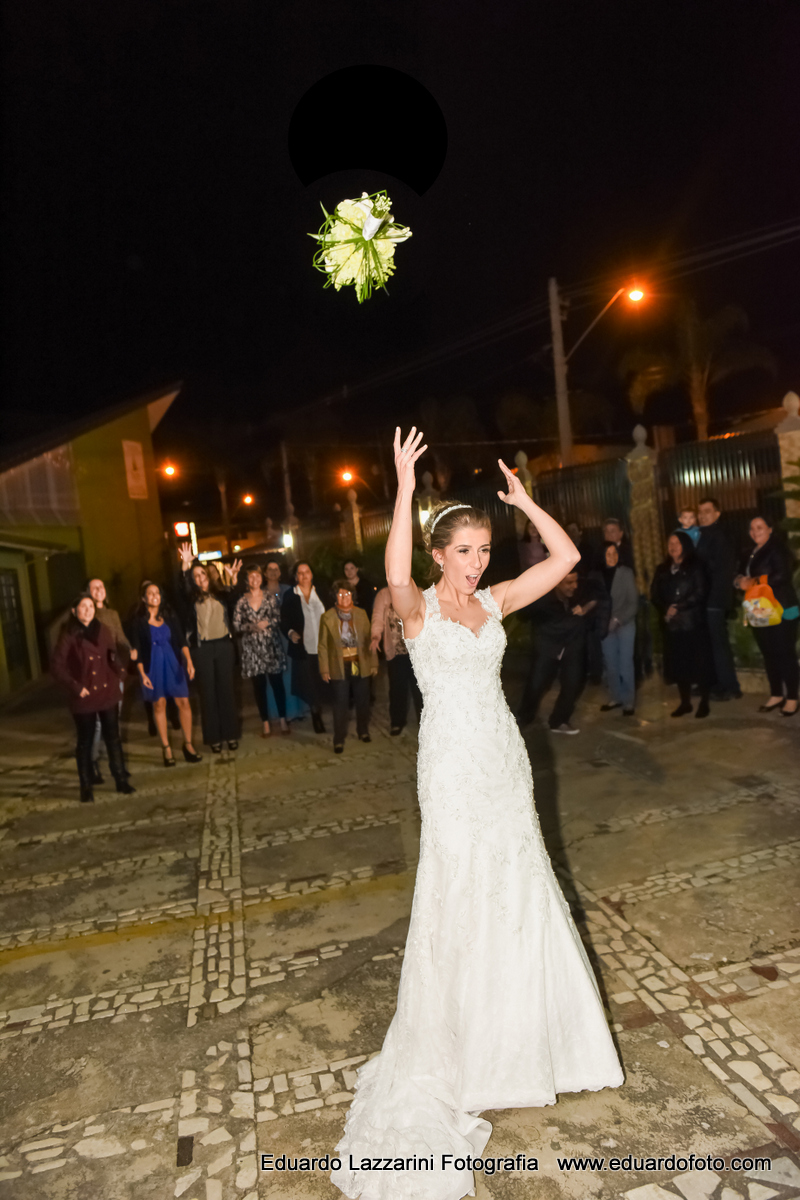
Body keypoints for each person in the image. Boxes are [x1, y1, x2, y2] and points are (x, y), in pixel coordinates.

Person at [330, 428, 623, 1200]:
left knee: (521, 885)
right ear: (440, 555)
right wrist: (400, 486)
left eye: (486, 549)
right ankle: (462, 1049)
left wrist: (527, 503)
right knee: (461, 891)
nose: (480, 562)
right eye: (467, 551)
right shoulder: (416, 610)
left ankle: (531, 1045)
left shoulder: (495, 602)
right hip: (452, 768)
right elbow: (392, 568)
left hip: (503, 760)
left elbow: (563, 563)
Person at [51, 593, 136, 802]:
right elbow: (57, 666)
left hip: (107, 692)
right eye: (83, 606)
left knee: (113, 738)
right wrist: (76, 687)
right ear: (74, 611)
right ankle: (86, 786)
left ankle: (120, 779)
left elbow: (111, 655)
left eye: (90, 606)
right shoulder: (69, 635)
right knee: (85, 742)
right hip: (85, 697)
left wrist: (120, 673)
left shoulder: (104, 630)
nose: (88, 610)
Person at [130, 582, 202, 766]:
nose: (155, 595)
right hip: (152, 665)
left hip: (173, 662)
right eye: (150, 593)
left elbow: (181, 640)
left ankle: (188, 744)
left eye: (157, 593)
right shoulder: (138, 621)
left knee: (183, 702)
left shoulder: (170, 616)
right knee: (159, 705)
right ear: (144, 598)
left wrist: (189, 662)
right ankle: (166, 747)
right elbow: (136, 648)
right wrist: (142, 674)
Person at [178, 544, 241, 751]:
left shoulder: (220, 594)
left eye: (202, 574)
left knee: (226, 692)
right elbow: (180, 590)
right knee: (208, 694)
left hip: (223, 645)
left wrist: (232, 579)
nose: (200, 578)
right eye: (195, 576)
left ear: (208, 575)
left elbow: (234, 599)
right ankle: (214, 738)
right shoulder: (190, 600)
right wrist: (186, 566)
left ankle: (230, 735)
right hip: (202, 649)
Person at [734, 515, 799, 716]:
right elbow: (738, 575)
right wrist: (738, 582)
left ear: (770, 529)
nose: (755, 531)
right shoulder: (748, 553)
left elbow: (782, 575)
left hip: (782, 609)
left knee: (784, 654)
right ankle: (776, 694)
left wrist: (753, 581)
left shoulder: (777, 549)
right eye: (752, 528)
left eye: (760, 527)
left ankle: (792, 698)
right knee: (769, 654)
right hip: (759, 610)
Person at [516, 571, 591, 734]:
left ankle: (559, 721)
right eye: (569, 583)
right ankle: (523, 717)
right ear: (556, 583)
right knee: (536, 684)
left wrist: (585, 607)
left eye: (576, 581)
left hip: (572, 645)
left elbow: (596, 598)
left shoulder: (578, 593)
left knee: (573, 683)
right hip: (547, 646)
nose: (575, 586)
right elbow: (522, 615)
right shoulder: (541, 599)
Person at [651, 530, 713, 718]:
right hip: (672, 625)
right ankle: (685, 702)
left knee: (699, 664)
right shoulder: (662, 568)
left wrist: (678, 607)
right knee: (679, 665)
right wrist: (665, 608)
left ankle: (704, 702)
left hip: (692, 623)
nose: (673, 547)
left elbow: (701, 592)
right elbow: (655, 593)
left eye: (677, 543)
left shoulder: (696, 565)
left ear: (685, 544)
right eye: (670, 543)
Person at [317, 579, 377, 753]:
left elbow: (369, 640)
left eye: (347, 594)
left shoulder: (361, 614)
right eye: (341, 594)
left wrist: (373, 663)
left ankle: (363, 731)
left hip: (359, 663)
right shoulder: (327, 617)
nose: (344, 597)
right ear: (335, 596)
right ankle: (339, 739)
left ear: (353, 596)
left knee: (362, 700)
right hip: (339, 664)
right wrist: (324, 668)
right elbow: (322, 645)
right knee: (340, 703)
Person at [233, 563, 289, 736]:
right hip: (252, 649)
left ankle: (282, 719)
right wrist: (249, 626)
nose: (255, 579)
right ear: (247, 581)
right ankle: (265, 722)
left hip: (271, 646)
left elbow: (278, 617)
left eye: (257, 576)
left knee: (277, 684)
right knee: (259, 687)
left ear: (261, 578)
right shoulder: (242, 601)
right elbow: (236, 624)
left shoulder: (270, 598)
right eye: (251, 577)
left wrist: (268, 623)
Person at [86, 576, 131, 783]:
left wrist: (131, 652)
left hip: (114, 672)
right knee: (97, 723)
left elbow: (120, 637)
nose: (99, 590)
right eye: (94, 588)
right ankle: (92, 762)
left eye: (101, 586)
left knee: (113, 721)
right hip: (95, 675)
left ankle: (117, 764)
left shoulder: (112, 614)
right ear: (88, 593)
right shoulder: (87, 615)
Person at [696, 496, 741, 701]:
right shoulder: (703, 535)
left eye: (707, 511)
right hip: (706, 599)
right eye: (700, 512)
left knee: (718, 644)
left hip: (714, 599)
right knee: (708, 644)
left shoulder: (719, 535)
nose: (702, 515)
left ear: (717, 513)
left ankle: (729, 686)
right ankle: (714, 683)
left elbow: (720, 569)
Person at [281, 560, 327, 733]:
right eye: (300, 573)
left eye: (306, 571)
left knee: (322, 682)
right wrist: (291, 632)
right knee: (309, 684)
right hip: (304, 648)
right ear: (295, 577)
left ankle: (320, 709)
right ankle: (316, 715)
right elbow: (283, 620)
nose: (304, 576)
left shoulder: (321, 592)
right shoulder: (291, 595)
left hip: (323, 647)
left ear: (311, 574)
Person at [370, 585, 422, 734]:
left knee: (420, 689)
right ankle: (397, 721)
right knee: (397, 688)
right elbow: (378, 617)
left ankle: (425, 724)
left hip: (416, 650)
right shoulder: (383, 595)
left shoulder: (417, 592)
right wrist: (375, 636)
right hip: (395, 650)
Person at [263, 558, 307, 724]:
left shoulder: (289, 590)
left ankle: (297, 710)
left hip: (288, 636)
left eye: (276, 569)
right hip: (269, 638)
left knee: (291, 672)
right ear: (265, 573)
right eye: (270, 569)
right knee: (274, 676)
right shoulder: (260, 592)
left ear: (280, 573)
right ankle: (279, 711)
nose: (273, 572)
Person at [598, 542, 638, 715]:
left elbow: (633, 603)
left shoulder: (626, 573)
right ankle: (616, 697)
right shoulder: (597, 575)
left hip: (625, 622)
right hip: (605, 625)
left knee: (625, 664)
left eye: (615, 553)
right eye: (608, 554)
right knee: (611, 664)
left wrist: (617, 619)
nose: (612, 557)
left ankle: (629, 701)